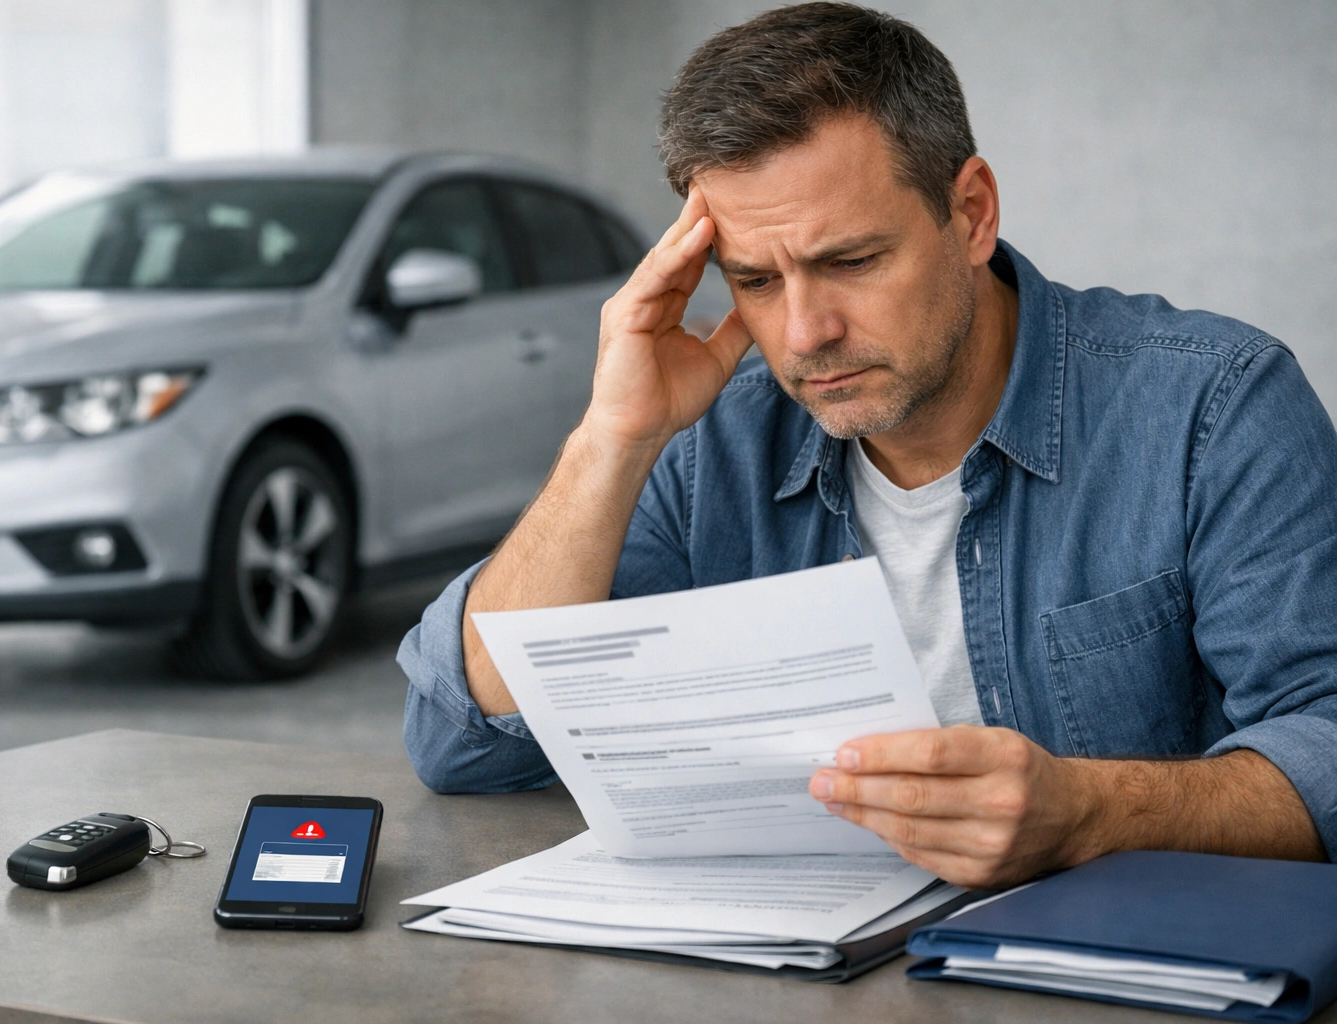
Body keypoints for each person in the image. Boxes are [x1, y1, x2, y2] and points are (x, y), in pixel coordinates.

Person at [398, 2, 1336, 887]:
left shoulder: (1211, 407)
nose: (804, 333)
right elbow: (464, 739)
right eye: (756, 280)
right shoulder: (712, 438)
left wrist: (1094, 812)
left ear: (970, 213)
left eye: (850, 262)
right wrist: (612, 437)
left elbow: (1326, 742)